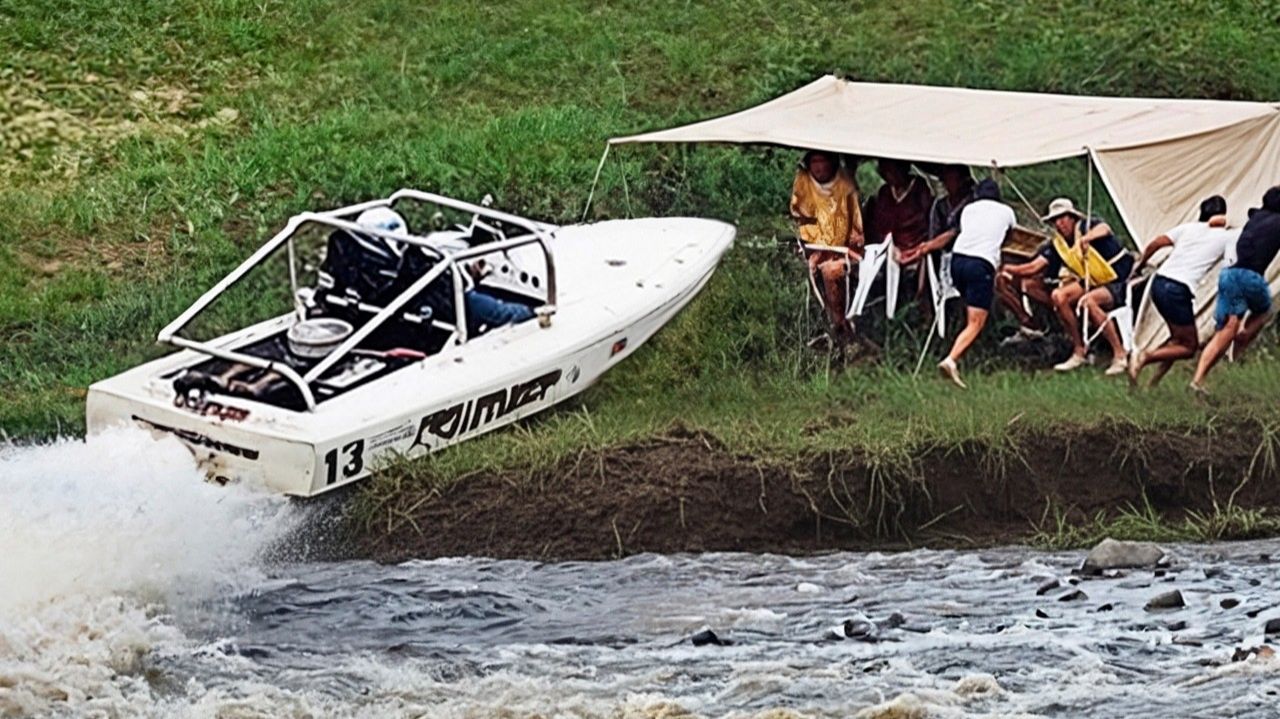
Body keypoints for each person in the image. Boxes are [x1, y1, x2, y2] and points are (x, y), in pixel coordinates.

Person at [903, 179, 1015, 388]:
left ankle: (963, 347)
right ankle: (951, 359)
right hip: (980, 263)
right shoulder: (1007, 211)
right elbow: (1009, 236)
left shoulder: (969, 210)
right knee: (976, 321)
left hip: (957, 260)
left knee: (970, 308)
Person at [355, 208, 535, 335]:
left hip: (380, 320)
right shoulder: (417, 271)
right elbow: (467, 302)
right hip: (443, 311)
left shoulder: (356, 273)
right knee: (518, 313)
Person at [1128, 195, 1236, 386]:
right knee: (1189, 347)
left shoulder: (1187, 228)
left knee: (1177, 339)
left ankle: (1153, 383)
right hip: (1177, 289)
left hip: (1159, 283)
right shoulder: (1227, 236)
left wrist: (1141, 264)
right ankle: (1144, 357)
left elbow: (1155, 244)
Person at [1191, 186, 1280, 393]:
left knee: (1225, 330)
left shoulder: (1255, 217)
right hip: (1251, 277)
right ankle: (1243, 337)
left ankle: (1198, 379)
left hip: (1229, 275)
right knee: (1265, 310)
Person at [789, 150, 864, 340]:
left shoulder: (845, 186)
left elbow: (856, 229)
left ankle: (840, 326)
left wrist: (851, 248)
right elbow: (801, 218)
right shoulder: (803, 184)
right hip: (813, 250)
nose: (819, 167)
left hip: (842, 253)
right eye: (815, 161)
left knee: (833, 271)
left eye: (823, 161)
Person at [865, 158, 933, 305]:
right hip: (889, 247)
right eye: (887, 172)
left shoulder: (919, 188)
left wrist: (915, 249)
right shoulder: (884, 193)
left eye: (893, 171)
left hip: (915, 246)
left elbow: (927, 221)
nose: (891, 176)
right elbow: (879, 225)